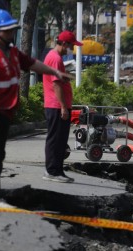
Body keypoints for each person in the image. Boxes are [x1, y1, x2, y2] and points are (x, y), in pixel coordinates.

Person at [0, 9, 73, 207]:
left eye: (11, 30)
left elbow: (33, 64)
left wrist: (54, 72)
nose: (10, 34)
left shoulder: (12, 52)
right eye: (6, 31)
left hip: (6, 110)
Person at [42, 31, 82, 183]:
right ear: (64, 44)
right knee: (55, 139)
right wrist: (63, 107)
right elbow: (56, 84)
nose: (71, 49)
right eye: (71, 45)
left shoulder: (55, 58)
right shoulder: (55, 58)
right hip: (56, 106)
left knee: (60, 140)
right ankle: (52, 170)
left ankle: (57, 170)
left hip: (57, 105)